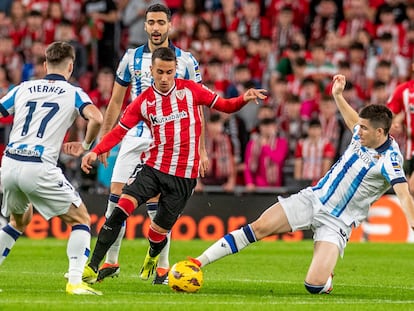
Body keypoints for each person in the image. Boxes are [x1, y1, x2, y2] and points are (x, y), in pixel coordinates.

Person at [187, 74, 414, 294]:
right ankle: (197, 262)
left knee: (314, 286)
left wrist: (412, 221)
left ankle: (326, 276)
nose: (358, 131)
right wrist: (337, 95)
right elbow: (353, 120)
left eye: (365, 128)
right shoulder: (364, 133)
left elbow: (403, 194)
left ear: (380, 132)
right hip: (313, 199)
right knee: (258, 227)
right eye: (360, 126)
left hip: (337, 223)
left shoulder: (390, 160)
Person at [80, 46, 267, 285]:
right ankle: (92, 267)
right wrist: (95, 151)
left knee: (156, 234)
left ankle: (152, 255)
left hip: (183, 178)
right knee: (119, 209)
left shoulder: (191, 90)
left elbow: (225, 106)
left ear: (176, 69)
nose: (165, 77)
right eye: (160, 72)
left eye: (169, 72)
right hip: (153, 168)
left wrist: (244, 98)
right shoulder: (143, 102)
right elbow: (119, 131)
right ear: (151, 71)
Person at [95, 3, 206, 285]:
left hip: (169, 140)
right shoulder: (130, 58)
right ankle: (111, 262)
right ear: (144, 26)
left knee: (159, 204)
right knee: (116, 198)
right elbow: (116, 100)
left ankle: (162, 268)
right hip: (134, 137)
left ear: (170, 25)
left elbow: (198, 107)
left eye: (161, 22)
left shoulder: (186, 60)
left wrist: (201, 149)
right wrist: (106, 140)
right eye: (151, 22)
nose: (156, 28)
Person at [0, 41, 103, 295]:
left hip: (10, 164)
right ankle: (75, 281)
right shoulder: (73, 92)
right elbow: (97, 118)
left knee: (18, 220)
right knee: (81, 220)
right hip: (38, 167)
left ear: (45, 65)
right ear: (70, 66)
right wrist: (85, 145)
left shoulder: (23, 87)